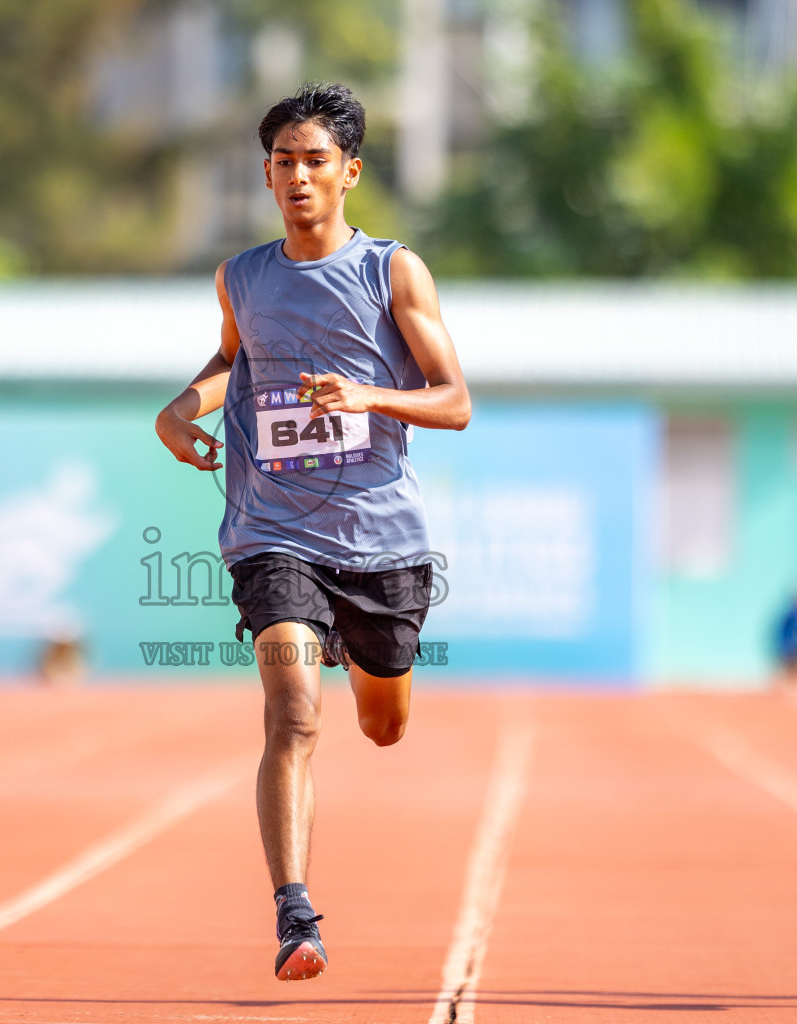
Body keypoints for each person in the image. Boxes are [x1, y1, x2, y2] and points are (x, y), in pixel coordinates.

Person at [155, 83, 470, 981]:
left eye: (316, 161)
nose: (298, 176)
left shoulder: (392, 272)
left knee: (382, 725)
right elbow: (230, 359)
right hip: (272, 531)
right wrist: (182, 409)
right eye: (284, 162)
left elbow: (456, 400)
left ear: (350, 173)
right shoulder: (241, 276)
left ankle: (366, 659)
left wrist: (372, 395)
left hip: (379, 539)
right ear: (265, 174)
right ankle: (296, 915)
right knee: (293, 711)